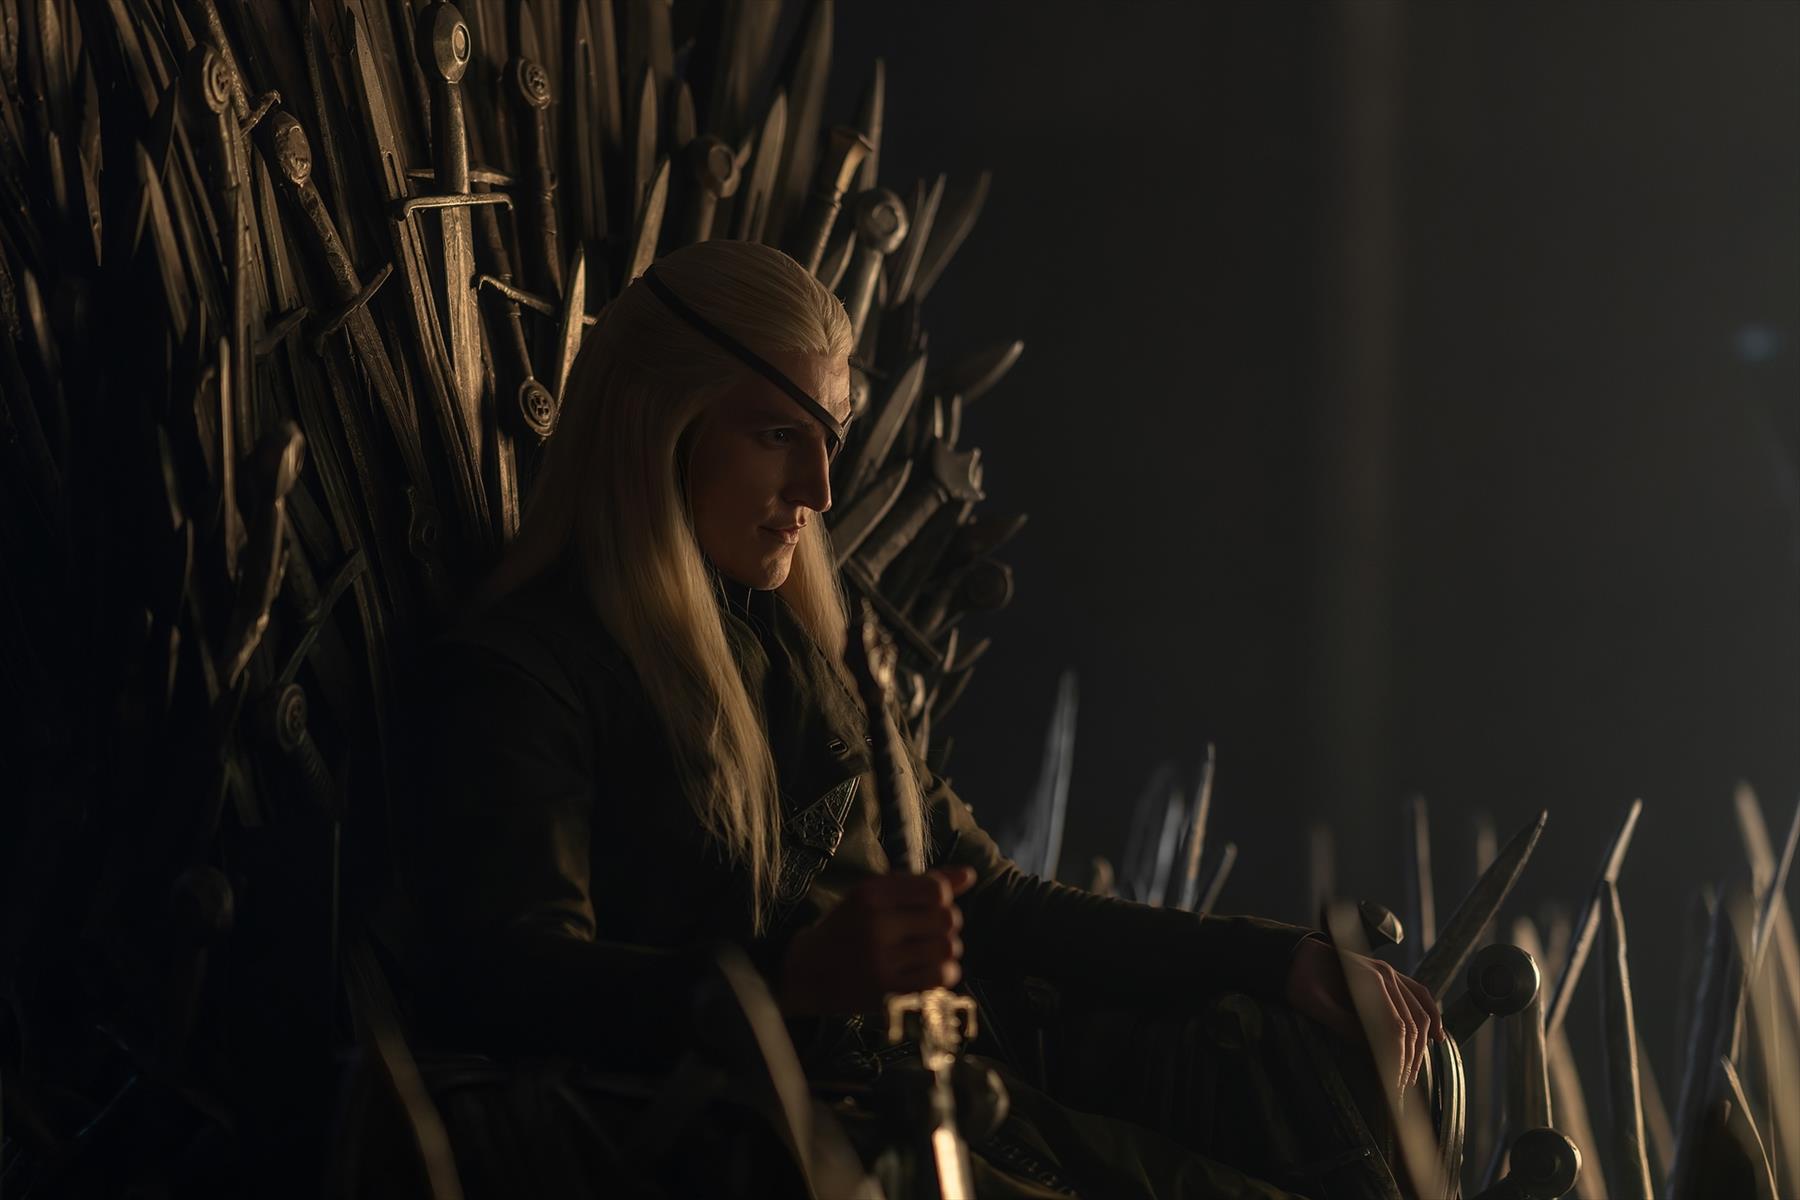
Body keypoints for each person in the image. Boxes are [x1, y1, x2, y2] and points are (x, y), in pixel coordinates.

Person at [405, 239, 1444, 1198]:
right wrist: (790, 984)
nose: (819, 488)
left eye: (828, 439)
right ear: (659, 430)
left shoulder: (805, 659)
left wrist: (1274, 960)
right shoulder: (525, 676)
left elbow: (994, 902)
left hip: (955, 1105)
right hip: (789, 1155)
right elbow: (512, 981)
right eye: (777, 434)